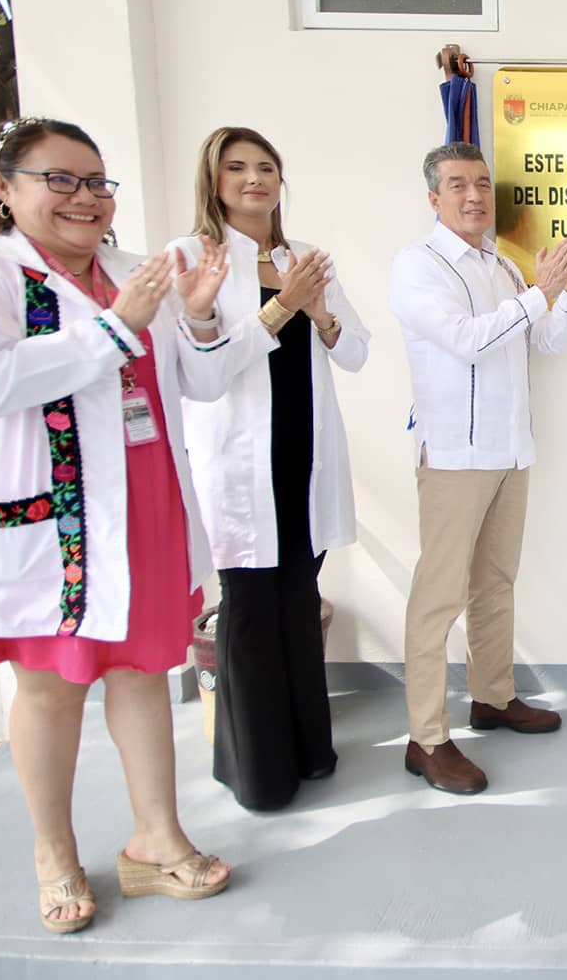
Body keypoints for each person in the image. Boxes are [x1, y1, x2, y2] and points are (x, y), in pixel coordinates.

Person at [0, 118, 240, 933]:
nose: (84, 198)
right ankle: (54, 851)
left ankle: (156, 837)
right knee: (52, 684)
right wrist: (114, 324)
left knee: (141, 670)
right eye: (60, 180)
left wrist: (196, 318)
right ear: (4, 186)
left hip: (145, 502)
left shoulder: (136, 271)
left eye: (96, 183)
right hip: (48, 515)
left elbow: (194, 384)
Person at [389, 142, 567, 794]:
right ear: (433, 197)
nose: (474, 195)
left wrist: (566, 294)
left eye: (483, 183)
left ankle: (491, 696)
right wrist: (541, 290)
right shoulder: (418, 265)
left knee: (495, 583)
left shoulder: (503, 266)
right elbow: (466, 340)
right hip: (456, 457)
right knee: (437, 599)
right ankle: (425, 738)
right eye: (458, 184)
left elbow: (546, 340)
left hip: (510, 450)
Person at [171, 127, 370, 811]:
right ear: (214, 179)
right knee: (251, 609)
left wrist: (321, 315)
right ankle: (257, 771)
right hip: (237, 462)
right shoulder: (191, 259)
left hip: (303, 456)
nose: (254, 179)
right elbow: (205, 372)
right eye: (238, 167)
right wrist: (282, 307)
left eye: (266, 167)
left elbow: (357, 354)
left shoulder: (305, 258)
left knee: (295, 597)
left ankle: (310, 750)